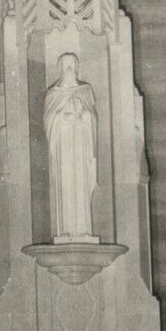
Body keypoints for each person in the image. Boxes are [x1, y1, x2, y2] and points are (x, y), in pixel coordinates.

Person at [43, 52, 98, 240]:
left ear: (77, 67)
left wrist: (83, 115)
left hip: (81, 146)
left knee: (80, 184)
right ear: (59, 68)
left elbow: (92, 117)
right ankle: (64, 231)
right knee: (65, 184)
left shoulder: (85, 90)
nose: (69, 69)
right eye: (66, 65)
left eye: (72, 65)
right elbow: (48, 119)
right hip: (63, 145)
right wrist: (62, 116)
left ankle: (84, 231)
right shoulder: (53, 93)